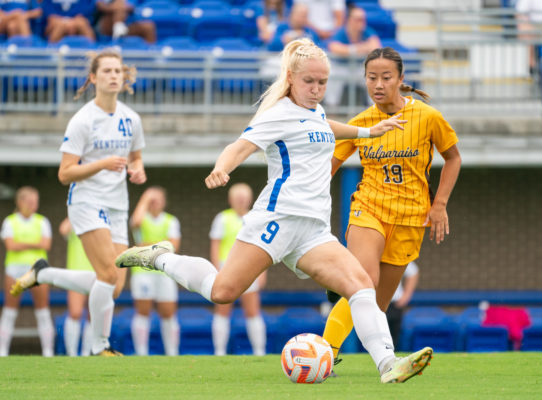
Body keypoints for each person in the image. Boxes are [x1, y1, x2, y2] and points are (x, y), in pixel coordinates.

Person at [116, 38, 432, 383]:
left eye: (322, 82)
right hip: (276, 221)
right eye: (309, 82)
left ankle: (388, 363)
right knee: (223, 292)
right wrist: (223, 167)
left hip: (312, 230)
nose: (316, 89)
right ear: (291, 78)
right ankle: (159, 257)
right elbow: (240, 146)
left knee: (360, 286)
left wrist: (369, 131)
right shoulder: (278, 114)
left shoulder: (316, 111)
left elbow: (324, 127)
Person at [321, 46, 461, 368]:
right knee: (364, 279)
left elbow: (453, 158)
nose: (378, 84)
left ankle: (380, 358)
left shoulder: (427, 116)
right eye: (372, 78)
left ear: (400, 79)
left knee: (376, 304)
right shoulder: (360, 123)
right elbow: (328, 166)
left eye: (386, 77)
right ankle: (325, 353)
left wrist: (439, 204)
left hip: (411, 217)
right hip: (368, 207)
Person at [11, 49, 146, 357]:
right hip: (86, 201)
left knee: (113, 285)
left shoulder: (131, 119)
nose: (114, 76)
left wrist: (137, 170)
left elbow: (136, 158)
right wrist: (101, 164)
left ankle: (43, 274)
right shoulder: (83, 120)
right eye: (107, 71)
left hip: (117, 205)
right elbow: (64, 173)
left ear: (124, 78)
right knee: (108, 276)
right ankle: (99, 347)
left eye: (118, 71)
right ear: (93, 78)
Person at [210, 183, 267, 356]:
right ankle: (219, 352)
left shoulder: (256, 218)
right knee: (222, 309)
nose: (241, 201)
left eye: (244, 197)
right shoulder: (221, 218)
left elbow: (264, 247)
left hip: (250, 269)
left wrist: (262, 272)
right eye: (237, 198)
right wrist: (216, 272)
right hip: (226, 269)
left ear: (250, 199)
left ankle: (259, 351)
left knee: (252, 310)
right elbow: (215, 247)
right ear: (230, 200)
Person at [0, 186, 54, 357]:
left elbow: (46, 244)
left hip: (37, 272)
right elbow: (10, 245)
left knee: (43, 311)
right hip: (14, 271)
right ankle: (3, 352)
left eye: (35, 202)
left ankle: (48, 352)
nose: (33, 205)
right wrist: (34, 243)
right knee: (9, 311)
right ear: (20, 202)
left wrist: (21, 244)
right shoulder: (10, 221)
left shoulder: (42, 221)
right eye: (30, 202)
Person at [129, 186, 181, 356]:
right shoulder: (141, 219)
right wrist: (145, 198)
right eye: (151, 200)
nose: (154, 203)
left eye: (157, 199)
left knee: (168, 313)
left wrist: (146, 245)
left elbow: (172, 246)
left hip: (164, 272)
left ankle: (172, 352)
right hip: (142, 273)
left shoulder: (171, 221)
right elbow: (134, 222)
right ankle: (141, 353)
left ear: (164, 202)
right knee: (143, 312)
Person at [325, 6, 381, 107]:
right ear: (349, 20)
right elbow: (334, 47)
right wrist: (358, 49)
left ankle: (375, 109)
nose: (361, 22)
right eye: (358, 19)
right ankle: (331, 109)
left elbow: (376, 47)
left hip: (359, 67)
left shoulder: (367, 31)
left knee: (374, 77)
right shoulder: (341, 32)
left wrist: (348, 50)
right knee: (332, 76)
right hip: (341, 67)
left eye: (362, 19)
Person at [59, 217, 94, 356]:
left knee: (93, 315)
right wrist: (76, 212)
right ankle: (72, 353)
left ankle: (86, 353)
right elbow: (63, 229)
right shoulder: (76, 218)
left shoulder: (102, 219)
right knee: (75, 313)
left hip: (96, 272)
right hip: (76, 272)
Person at [386, 262, 419, 349]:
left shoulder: (396, 255)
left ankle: (391, 359)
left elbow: (413, 272)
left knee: (393, 337)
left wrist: (406, 295)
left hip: (393, 304)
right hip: (374, 302)